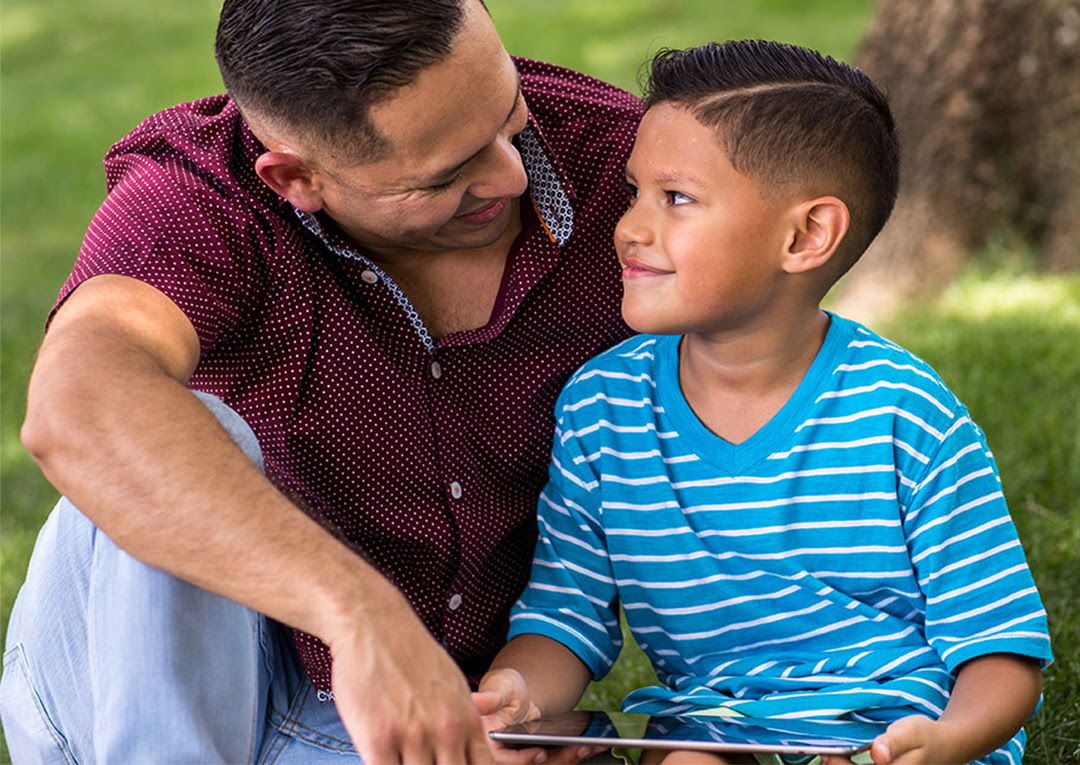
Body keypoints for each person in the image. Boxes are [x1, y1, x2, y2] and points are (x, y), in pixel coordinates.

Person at [0, 1, 642, 762]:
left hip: (400, 718)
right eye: (447, 174)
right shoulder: (200, 198)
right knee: (162, 424)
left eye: (510, 116)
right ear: (296, 177)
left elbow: (803, 301)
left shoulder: (621, 162)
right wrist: (359, 611)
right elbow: (77, 406)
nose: (512, 171)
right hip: (129, 690)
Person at [475, 40, 1053, 765]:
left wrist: (949, 739)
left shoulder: (907, 413)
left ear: (807, 235)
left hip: (890, 729)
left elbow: (1002, 648)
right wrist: (516, 692)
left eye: (676, 198)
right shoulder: (600, 408)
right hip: (711, 727)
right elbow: (565, 616)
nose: (630, 226)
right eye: (634, 191)